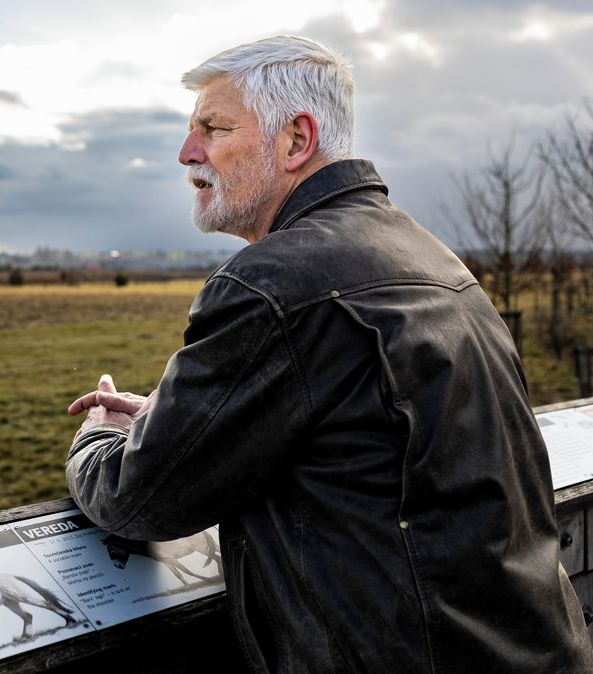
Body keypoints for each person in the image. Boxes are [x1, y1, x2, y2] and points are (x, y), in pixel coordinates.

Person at [65, 35, 593, 673]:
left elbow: (139, 496)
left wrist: (101, 439)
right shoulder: (431, 258)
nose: (187, 152)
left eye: (213, 128)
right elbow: (368, 439)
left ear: (296, 139)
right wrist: (171, 419)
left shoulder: (271, 284)